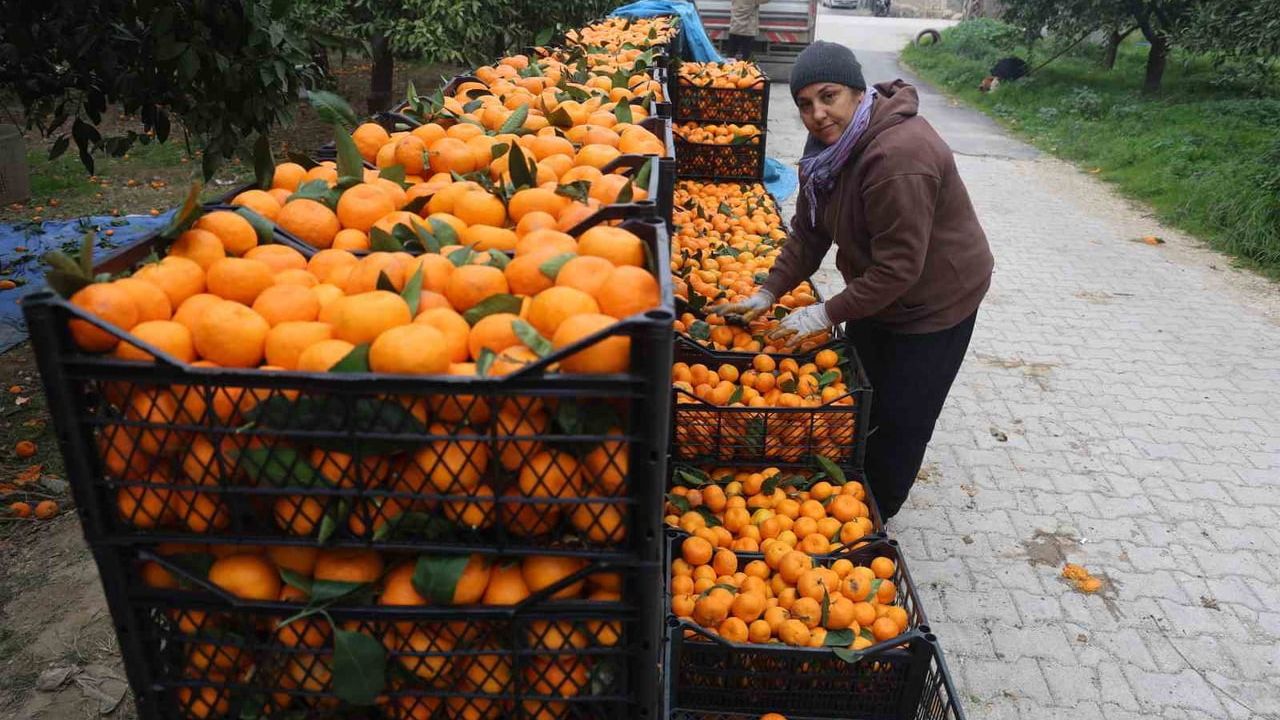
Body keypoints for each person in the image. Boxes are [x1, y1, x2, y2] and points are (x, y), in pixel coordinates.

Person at [710, 41, 994, 520]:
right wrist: (768, 290)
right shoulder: (829, 151)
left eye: (829, 96)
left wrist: (824, 312)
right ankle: (851, 486)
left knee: (903, 417)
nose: (817, 114)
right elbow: (809, 232)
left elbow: (900, 268)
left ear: (858, 93)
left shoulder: (898, 158)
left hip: (936, 301)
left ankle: (870, 521)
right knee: (861, 397)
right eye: (805, 103)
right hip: (883, 292)